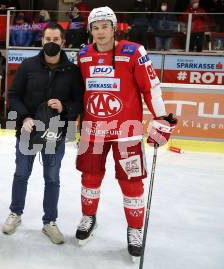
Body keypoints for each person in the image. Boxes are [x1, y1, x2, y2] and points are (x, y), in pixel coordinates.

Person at [74, 6, 177, 259]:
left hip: (126, 131)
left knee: (131, 183)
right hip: (93, 131)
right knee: (89, 178)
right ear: (90, 30)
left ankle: (135, 229)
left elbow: (150, 87)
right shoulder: (84, 55)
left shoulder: (133, 52)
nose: (100, 32)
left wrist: (161, 118)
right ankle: (89, 218)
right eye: (95, 28)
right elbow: (79, 91)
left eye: (105, 26)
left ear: (115, 27)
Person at [2, 23, 84, 244]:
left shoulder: (72, 71)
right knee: (21, 174)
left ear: (63, 42)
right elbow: (13, 95)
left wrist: (65, 107)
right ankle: (15, 213)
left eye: (56, 39)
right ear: (42, 40)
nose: (51, 43)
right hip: (28, 131)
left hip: (54, 135)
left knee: (52, 177)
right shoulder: (28, 66)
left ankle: (50, 221)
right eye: (48, 38)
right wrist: (24, 117)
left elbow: (79, 102)